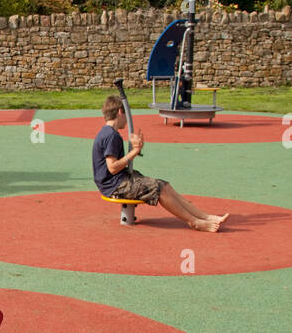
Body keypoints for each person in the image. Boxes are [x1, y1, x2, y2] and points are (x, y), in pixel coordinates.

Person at [92, 96, 228, 232]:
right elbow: (112, 167)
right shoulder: (111, 136)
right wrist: (135, 151)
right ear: (121, 112)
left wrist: (135, 151)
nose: (127, 119)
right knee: (158, 188)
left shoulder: (108, 133)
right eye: (126, 114)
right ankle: (194, 222)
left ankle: (205, 217)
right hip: (114, 185)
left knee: (164, 185)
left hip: (116, 181)